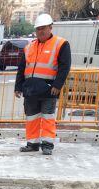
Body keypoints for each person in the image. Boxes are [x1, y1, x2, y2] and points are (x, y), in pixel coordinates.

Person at [14, 14, 71, 156]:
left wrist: (58, 85)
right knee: (32, 118)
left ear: (50, 27)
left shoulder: (61, 44)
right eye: (38, 29)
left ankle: (47, 145)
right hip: (30, 89)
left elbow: (64, 67)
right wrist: (18, 87)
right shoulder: (29, 47)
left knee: (47, 118)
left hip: (49, 89)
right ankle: (32, 144)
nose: (40, 31)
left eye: (43, 28)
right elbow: (22, 68)